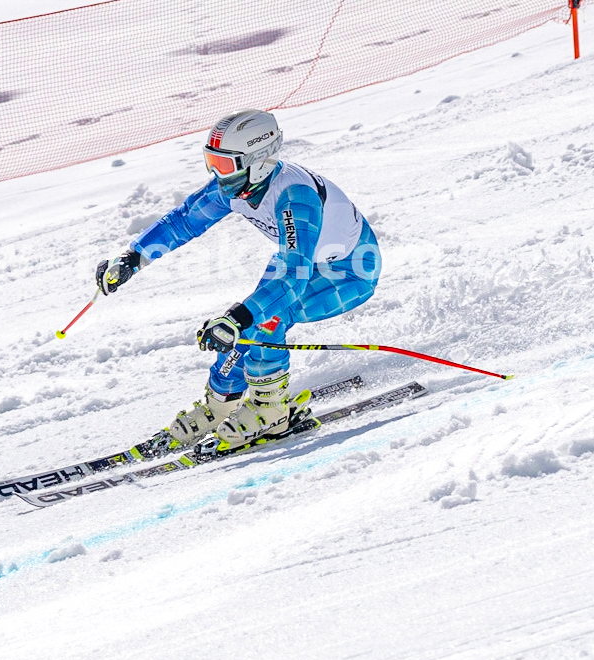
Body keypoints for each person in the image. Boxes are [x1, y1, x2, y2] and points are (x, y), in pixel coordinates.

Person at [95, 109, 381, 452]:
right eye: (211, 161)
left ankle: (271, 410)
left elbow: (293, 278)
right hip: (297, 263)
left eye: (225, 164)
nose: (216, 173)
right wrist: (134, 257)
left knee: (268, 317)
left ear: (258, 160)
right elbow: (185, 221)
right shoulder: (236, 185)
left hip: (349, 270)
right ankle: (222, 405)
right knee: (242, 322)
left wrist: (239, 317)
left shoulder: (295, 196)